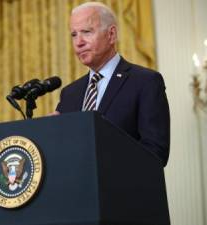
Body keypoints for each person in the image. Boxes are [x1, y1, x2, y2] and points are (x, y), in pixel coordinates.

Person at [55, 2, 170, 166]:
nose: (78, 42)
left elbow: (156, 152)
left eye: (86, 32)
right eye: (74, 34)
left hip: (126, 190)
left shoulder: (145, 82)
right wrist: (52, 133)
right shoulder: (69, 93)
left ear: (111, 34)